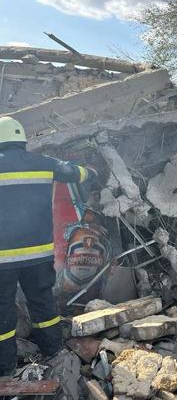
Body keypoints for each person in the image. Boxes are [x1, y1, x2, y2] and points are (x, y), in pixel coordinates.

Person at [0, 116, 96, 378]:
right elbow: (77, 173)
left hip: (2, 261)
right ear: (21, 140)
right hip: (38, 256)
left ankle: (5, 368)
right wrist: (93, 172)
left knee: (2, 310)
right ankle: (53, 351)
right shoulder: (44, 164)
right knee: (42, 303)